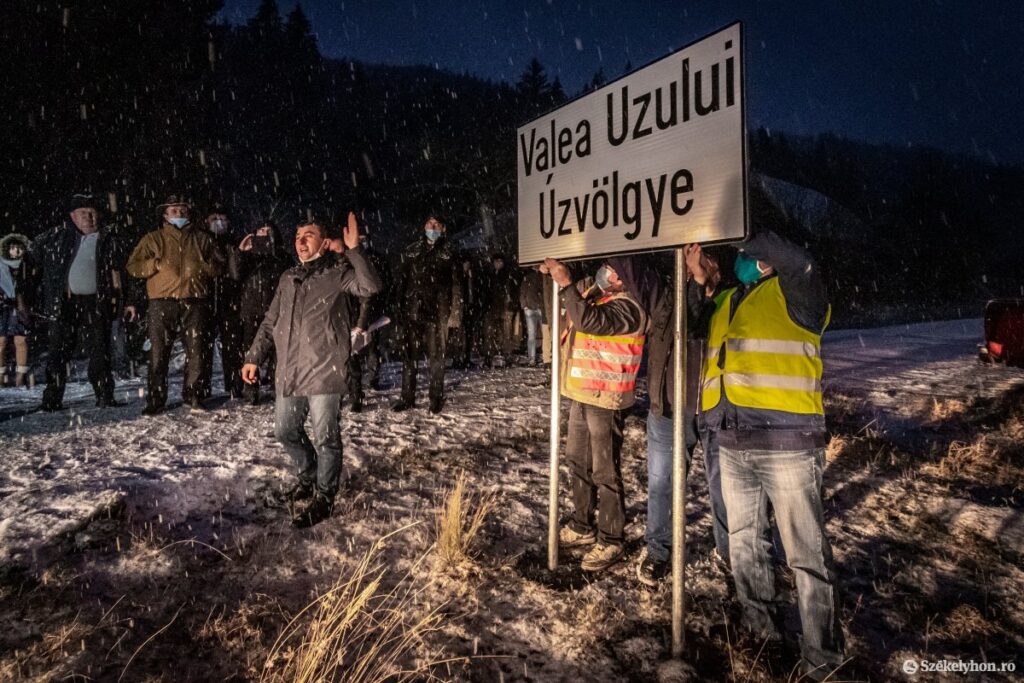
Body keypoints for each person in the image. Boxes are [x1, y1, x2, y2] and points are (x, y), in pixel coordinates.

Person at [700, 202, 844, 679]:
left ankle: (822, 659)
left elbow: (798, 258)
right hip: (735, 439)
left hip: (788, 445)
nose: (740, 259)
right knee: (745, 543)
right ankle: (761, 636)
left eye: (748, 253)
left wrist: (742, 229)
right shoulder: (731, 298)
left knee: (806, 555)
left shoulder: (798, 290)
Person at [241, 211, 381, 528]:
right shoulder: (287, 277)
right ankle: (309, 476)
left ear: (324, 241)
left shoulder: (338, 272)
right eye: (297, 236)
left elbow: (370, 286)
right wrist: (253, 357)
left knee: (326, 438)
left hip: (324, 369)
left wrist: (352, 250)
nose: (300, 241)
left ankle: (324, 496)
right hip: (289, 370)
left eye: (309, 235)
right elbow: (269, 321)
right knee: (286, 431)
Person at [542, 256, 648, 572]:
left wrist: (565, 282)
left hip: (605, 398)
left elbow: (590, 321)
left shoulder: (629, 306)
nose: (605, 271)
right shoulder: (598, 295)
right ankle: (582, 525)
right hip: (581, 392)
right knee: (577, 460)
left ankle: (611, 539)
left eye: (612, 268)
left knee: (605, 471)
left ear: (626, 276)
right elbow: (568, 311)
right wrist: (554, 277)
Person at [637, 247, 734, 587]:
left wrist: (704, 282)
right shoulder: (673, 298)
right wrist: (694, 282)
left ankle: (729, 553)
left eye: (707, 259)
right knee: (662, 486)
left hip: (715, 414)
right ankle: (658, 552)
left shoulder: (732, 300)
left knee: (724, 489)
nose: (701, 264)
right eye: (695, 259)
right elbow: (686, 324)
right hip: (670, 410)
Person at [31, 194, 135, 410]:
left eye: (92, 213)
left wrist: (129, 301)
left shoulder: (110, 239)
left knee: (101, 351)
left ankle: (104, 395)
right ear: (72, 216)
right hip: (65, 303)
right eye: (82, 213)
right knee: (58, 352)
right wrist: (28, 299)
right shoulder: (56, 238)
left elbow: (126, 273)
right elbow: (31, 265)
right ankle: (52, 399)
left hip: (98, 302)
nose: (88, 217)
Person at [126, 194, 225, 415]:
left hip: (195, 300)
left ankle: (194, 396)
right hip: (162, 302)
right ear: (165, 214)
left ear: (189, 213)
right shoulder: (153, 239)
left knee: (197, 351)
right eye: (173, 211)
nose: (178, 214)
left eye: (182, 210)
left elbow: (219, 266)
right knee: (159, 354)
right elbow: (133, 266)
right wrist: (154, 264)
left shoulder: (203, 238)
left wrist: (204, 268)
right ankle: (156, 399)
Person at [391, 214, 461, 414]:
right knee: (409, 356)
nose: (433, 227)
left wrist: (455, 312)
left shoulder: (450, 252)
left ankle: (435, 398)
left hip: (438, 311)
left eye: (437, 224)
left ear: (443, 228)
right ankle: (407, 397)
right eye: (430, 223)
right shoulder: (412, 250)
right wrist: (398, 307)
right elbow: (401, 281)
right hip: (412, 310)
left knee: (436, 357)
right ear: (424, 226)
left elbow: (456, 284)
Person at [237, 220, 291, 405]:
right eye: (261, 230)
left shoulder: (282, 255)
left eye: (269, 231)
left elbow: (290, 278)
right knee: (251, 349)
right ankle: (251, 389)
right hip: (252, 308)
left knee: (279, 350)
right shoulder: (249, 256)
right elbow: (235, 275)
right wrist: (241, 253)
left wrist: (275, 253)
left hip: (277, 308)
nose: (265, 234)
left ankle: (278, 387)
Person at [199, 202, 245, 400]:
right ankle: (202, 387)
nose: (219, 223)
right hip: (204, 300)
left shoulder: (234, 243)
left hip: (230, 299)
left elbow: (236, 273)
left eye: (223, 219)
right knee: (202, 347)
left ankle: (234, 385)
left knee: (232, 345)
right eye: (214, 219)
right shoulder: (200, 242)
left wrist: (234, 251)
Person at [345, 233, 387, 410]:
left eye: (363, 239)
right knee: (352, 355)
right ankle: (355, 393)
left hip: (371, 314)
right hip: (351, 314)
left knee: (371, 349)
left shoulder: (376, 259)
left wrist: (364, 320)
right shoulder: (346, 261)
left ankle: (372, 379)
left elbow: (374, 291)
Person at [0, 233, 31, 387]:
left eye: (19, 248)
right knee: (1, 341)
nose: (17, 251)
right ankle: (1, 375)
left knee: (21, 340)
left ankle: (20, 376)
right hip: (1, 306)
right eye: (13, 248)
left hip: (20, 306)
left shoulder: (28, 264)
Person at [482, 253, 518, 368]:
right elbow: (485, 292)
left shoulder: (507, 275)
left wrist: (511, 304)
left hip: (504, 307)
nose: (498, 263)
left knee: (506, 334)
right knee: (489, 334)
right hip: (492, 308)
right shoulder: (490, 275)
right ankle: (489, 358)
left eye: (500, 261)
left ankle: (507, 357)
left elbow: (511, 291)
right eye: (496, 261)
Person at [519, 265, 548, 366]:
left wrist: (524, 305)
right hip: (535, 308)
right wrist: (524, 305)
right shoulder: (541, 276)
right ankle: (539, 358)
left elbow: (523, 291)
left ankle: (536, 358)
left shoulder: (531, 276)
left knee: (536, 335)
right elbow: (522, 291)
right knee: (538, 335)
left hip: (536, 308)